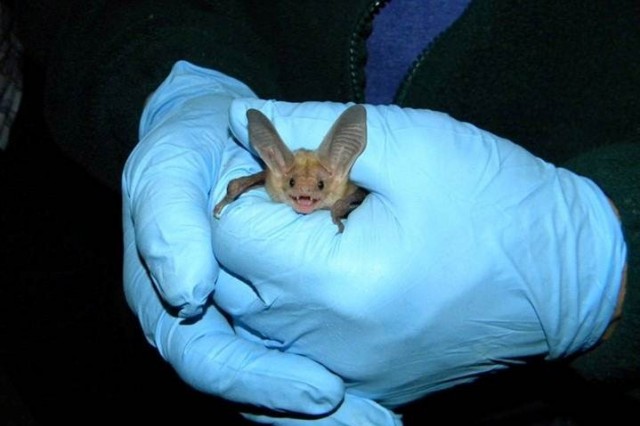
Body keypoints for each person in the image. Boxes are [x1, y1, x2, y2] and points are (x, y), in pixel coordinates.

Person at [13, 0, 640, 424]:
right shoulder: (272, 175)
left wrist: (615, 268)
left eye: (319, 186)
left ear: (343, 169)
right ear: (273, 165)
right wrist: (164, 79)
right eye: (294, 185)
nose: (306, 195)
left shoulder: (340, 186)